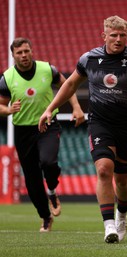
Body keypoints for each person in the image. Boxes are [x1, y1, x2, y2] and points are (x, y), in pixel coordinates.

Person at [38, 15, 127, 244]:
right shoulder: (89, 59)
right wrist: (50, 109)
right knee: (104, 169)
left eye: (123, 35)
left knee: (123, 181)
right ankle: (109, 225)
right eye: (113, 35)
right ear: (103, 35)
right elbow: (71, 84)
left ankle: (121, 216)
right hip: (100, 123)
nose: (118, 39)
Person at [0, 37, 85, 232]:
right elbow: (1, 106)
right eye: (19, 53)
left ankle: (52, 191)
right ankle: (45, 216)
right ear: (13, 56)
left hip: (47, 124)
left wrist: (77, 107)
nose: (24, 56)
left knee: (48, 162)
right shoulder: (7, 78)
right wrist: (8, 110)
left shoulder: (48, 70)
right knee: (32, 179)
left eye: (26, 51)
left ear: (32, 51)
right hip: (23, 130)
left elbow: (68, 87)